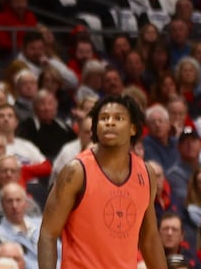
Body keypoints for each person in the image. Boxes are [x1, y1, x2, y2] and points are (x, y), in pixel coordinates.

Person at [38, 93, 165, 269]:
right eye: (104, 118)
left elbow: (150, 239)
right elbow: (48, 234)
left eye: (118, 118)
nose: (109, 122)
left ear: (133, 129)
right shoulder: (76, 172)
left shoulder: (146, 174)